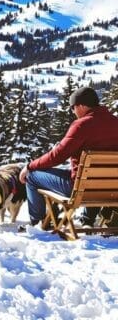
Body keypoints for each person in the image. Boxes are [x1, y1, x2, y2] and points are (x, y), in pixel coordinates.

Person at [19, 86, 118, 230]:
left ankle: (37, 223)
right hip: (112, 188)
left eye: (73, 107)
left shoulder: (82, 125)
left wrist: (29, 166)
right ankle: (88, 220)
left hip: (79, 189)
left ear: (82, 105)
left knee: (33, 176)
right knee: (91, 176)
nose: (73, 112)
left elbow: (57, 156)